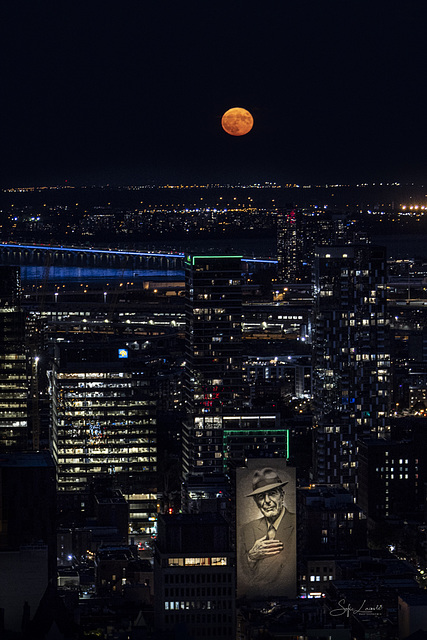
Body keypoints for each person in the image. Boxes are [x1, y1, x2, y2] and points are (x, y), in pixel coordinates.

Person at [238, 467, 296, 598]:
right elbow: (244, 573)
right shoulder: (247, 529)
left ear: (282, 495)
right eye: (261, 496)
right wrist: (251, 557)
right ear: (256, 502)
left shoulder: (295, 522)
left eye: (272, 493)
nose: (267, 501)